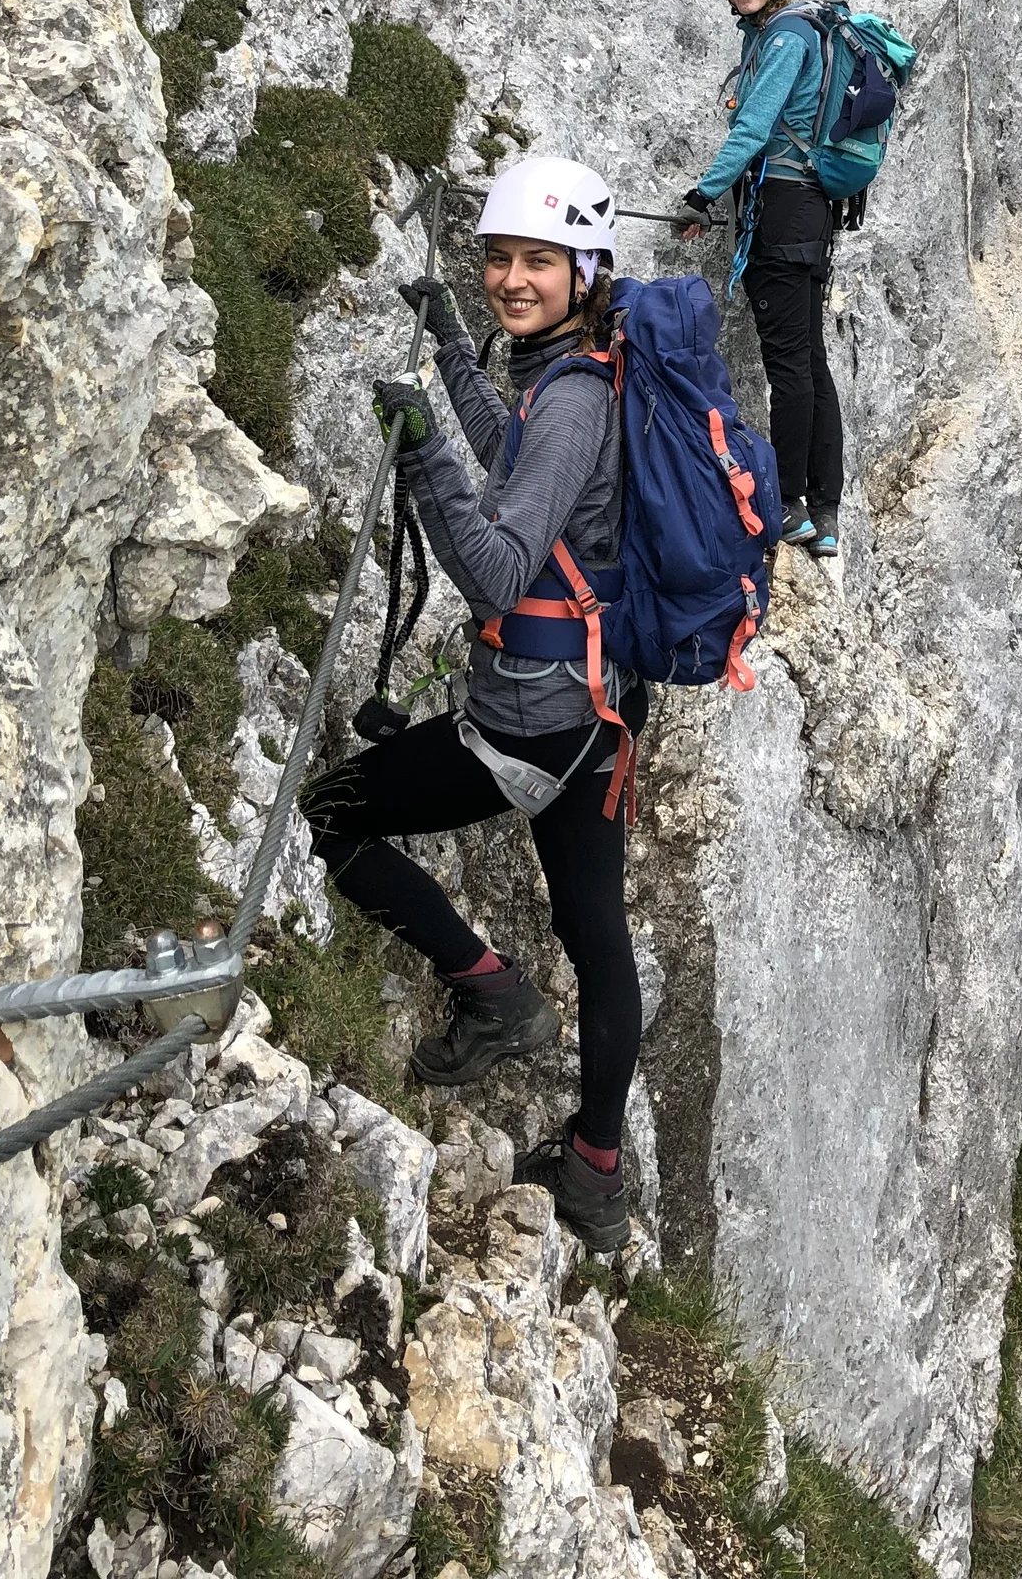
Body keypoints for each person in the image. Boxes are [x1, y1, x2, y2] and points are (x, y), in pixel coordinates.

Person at [300, 154, 642, 1253]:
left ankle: (491, 993)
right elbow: (518, 459)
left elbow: (496, 566)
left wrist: (424, 452)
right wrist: (453, 348)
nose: (512, 277)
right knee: (596, 932)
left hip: (527, 722)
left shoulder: (576, 395)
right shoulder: (575, 377)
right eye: (499, 257)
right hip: (595, 713)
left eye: (538, 260)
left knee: (334, 815)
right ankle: (596, 1167)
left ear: (586, 270)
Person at [680, 0, 843, 556]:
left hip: (781, 210)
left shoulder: (783, 40)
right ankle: (824, 510)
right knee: (809, 358)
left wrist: (702, 195)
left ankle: (793, 504)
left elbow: (751, 130)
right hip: (811, 210)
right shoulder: (788, 33)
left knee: (789, 364)